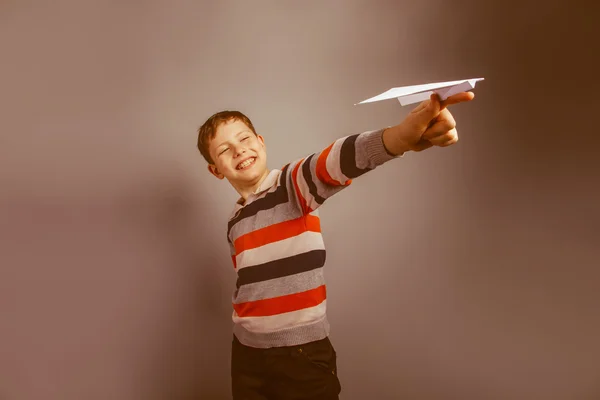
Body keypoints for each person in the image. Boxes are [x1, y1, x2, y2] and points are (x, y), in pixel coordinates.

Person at [196, 91, 475, 399]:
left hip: (300, 354)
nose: (239, 150)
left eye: (245, 139)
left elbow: (334, 161)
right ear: (215, 170)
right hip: (247, 353)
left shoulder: (292, 186)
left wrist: (397, 138)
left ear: (261, 142)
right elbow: (249, 282)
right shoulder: (235, 220)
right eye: (225, 149)